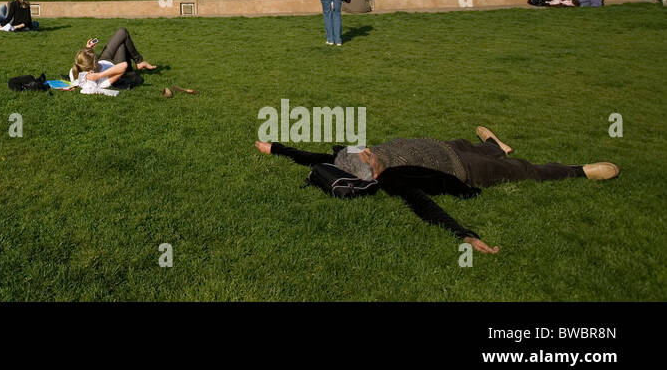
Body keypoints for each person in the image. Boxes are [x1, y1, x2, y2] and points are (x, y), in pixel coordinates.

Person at [254, 125, 618, 254]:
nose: (368, 149)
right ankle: (579, 171)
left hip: (443, 144)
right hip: (464, 169)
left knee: (471, 143)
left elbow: (316, 155)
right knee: (519, 170)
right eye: (367, 154)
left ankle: (494, 143)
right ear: (371, 171)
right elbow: (424, 204)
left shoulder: (358, 157)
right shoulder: (394, 179)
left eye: (363, 149)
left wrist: (278, 148)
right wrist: (465, 235)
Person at [67, 28, 158, 92]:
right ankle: (139, 61)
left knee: (122, 32)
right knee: (122, 43)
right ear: (92, 68)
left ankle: (139, 61)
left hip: (105, 59)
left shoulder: (75, 69)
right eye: (95, 60)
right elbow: (123, 66)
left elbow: (85, 63)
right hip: (117, 64)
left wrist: (88, 49)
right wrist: (99, 75)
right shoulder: (98, 81)